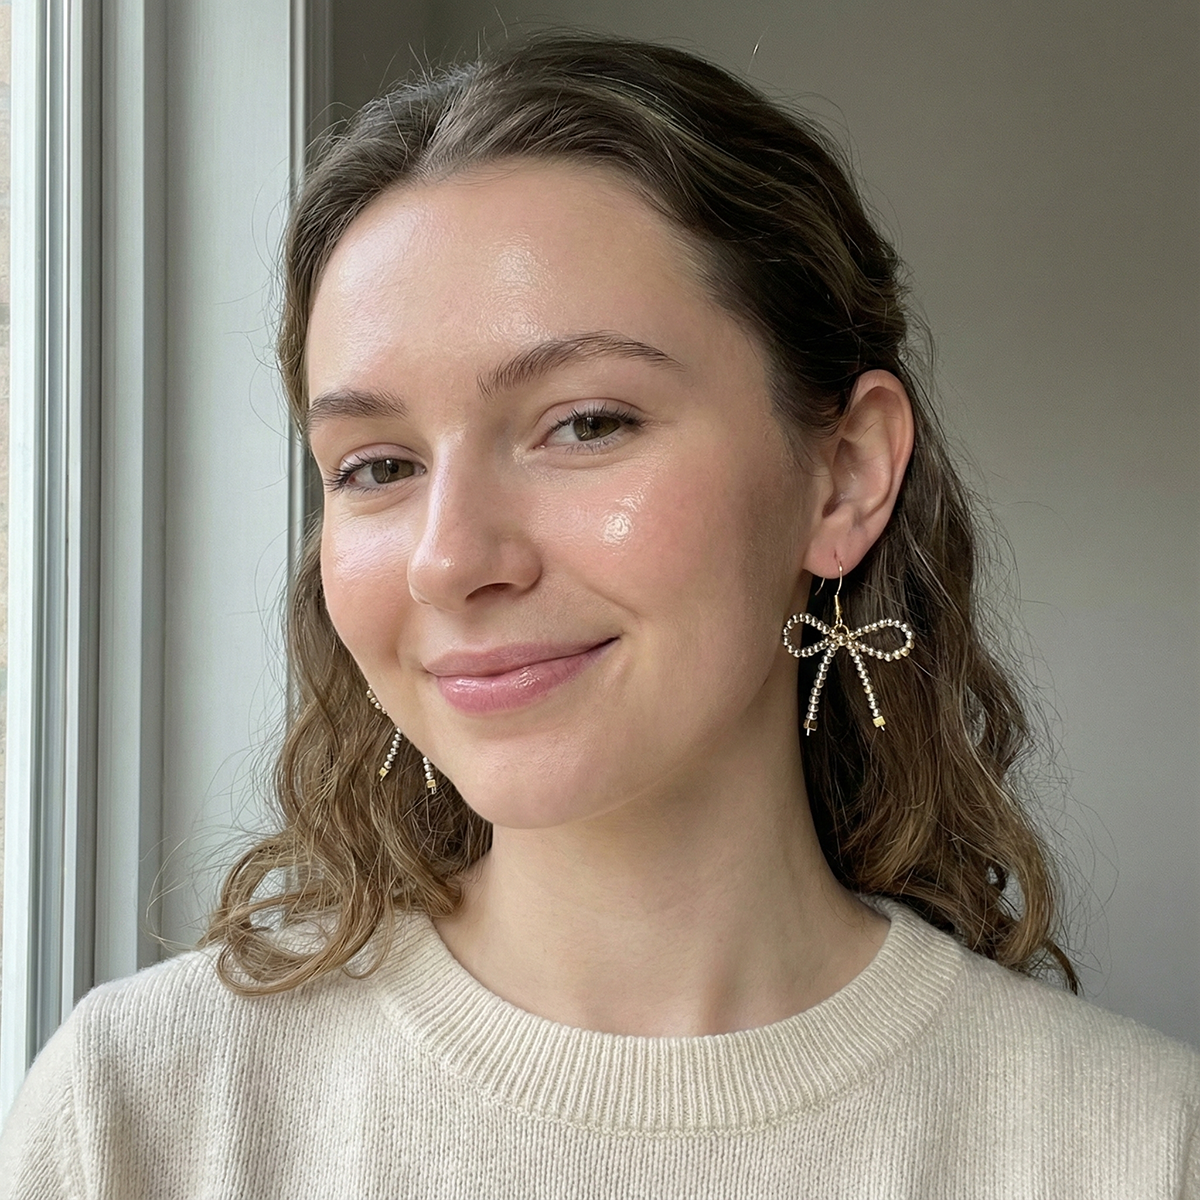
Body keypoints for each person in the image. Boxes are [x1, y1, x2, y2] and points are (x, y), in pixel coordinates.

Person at [2, 33, 1197, 1199]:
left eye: (586, 424)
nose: (450, 559)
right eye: (375, 465)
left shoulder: (1138, 1149)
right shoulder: (144, 1116)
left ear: (842, 476)